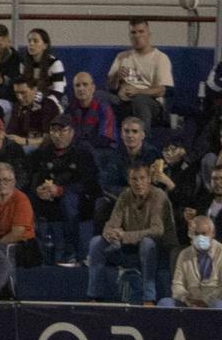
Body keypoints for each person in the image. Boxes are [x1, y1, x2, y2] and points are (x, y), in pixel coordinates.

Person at [87, 162, 169, 304]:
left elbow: (157, 230)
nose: (138, 183)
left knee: (147, 243)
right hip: (125, 249)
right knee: (96, 242)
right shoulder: (125, 195)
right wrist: (110, 233)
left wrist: (126, 236)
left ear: (149, 179)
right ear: (129, 181)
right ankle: (95, 296)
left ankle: (148, 298)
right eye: (134, 179)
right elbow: (112, 223)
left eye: (142, 178)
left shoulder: (158, 196)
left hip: (151, 251)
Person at [29, 117, 97, 266]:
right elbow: (34, 177)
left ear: (71, 132)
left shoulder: (83, 152)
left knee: (69, 200)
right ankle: (35, 253)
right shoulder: (43, 153)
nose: (57, 135)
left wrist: (61, 190)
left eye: (61, 130)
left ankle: (70, 251)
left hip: (79, 200)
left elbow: (89, 184)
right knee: (29, 198)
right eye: (53, 131)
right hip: (49, 198)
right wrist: (39, 189)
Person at [108, 18, 172, 127]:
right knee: (100, 97)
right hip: (123, 100)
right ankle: (105, 140)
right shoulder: (122, 57)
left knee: (139, 101)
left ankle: (143, 141)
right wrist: (116, 77)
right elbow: (111, 87)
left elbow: (163, 90)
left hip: (150, 103)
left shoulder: (160, 58)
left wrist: (138, 91)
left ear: (149, 34)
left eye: (141, 31)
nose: (137, 36)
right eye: (133, 32)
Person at [0, 161, 37, 268]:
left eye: (6, 180)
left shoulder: (21, 200)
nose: (1, 184)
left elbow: (17, 234)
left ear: (13, 182)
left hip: (19, 248)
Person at [161, 215, 222, 308]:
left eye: (204, 233)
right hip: (190, 302)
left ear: (213, 233)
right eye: (197, 234)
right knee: (165, 303)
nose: (200, 237)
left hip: (214, 301)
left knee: (218, 306)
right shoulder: (184, 254)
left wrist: (206, 301)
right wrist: (186, 299)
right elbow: (177, 284)